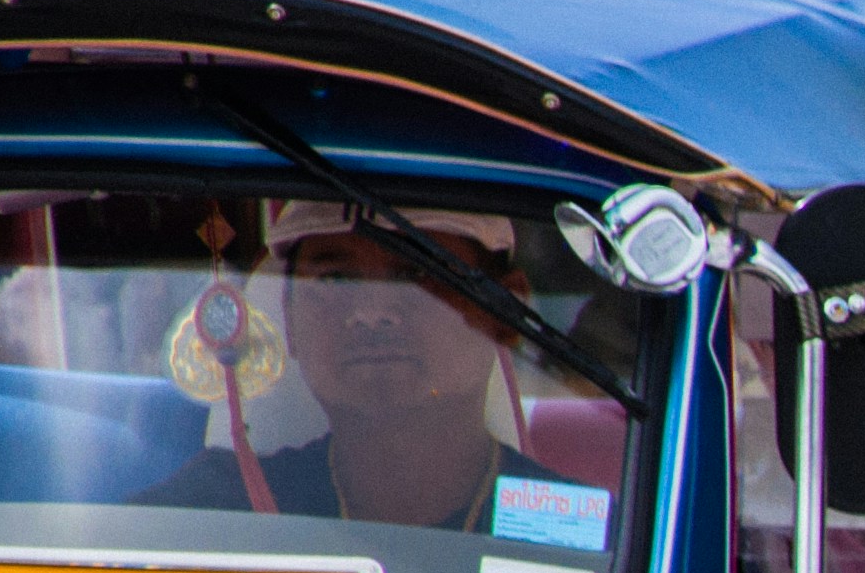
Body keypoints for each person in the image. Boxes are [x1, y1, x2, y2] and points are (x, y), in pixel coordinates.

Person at [145, 200, 567, 526]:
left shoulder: (574, 536)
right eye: (334, 280)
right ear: (289, 319)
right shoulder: (214, 513)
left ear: (507, 313)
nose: (371, 311)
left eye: (416, 274)